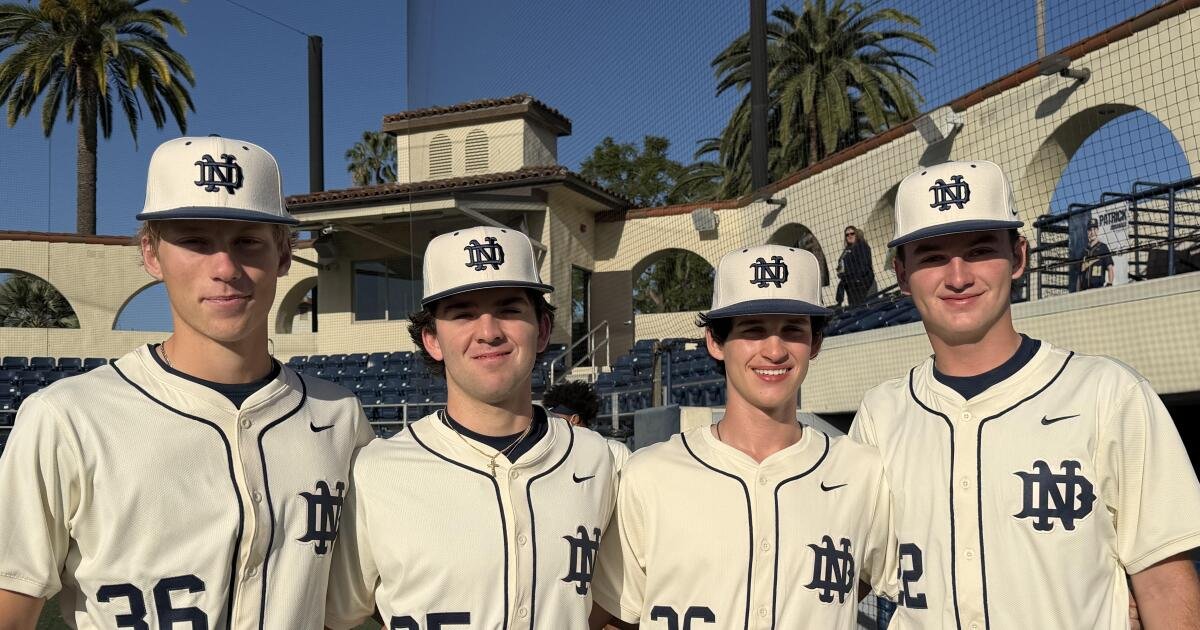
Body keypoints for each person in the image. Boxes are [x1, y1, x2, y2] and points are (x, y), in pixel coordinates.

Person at [0, 136, 374, 628]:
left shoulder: (339, 415)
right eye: (195, 241)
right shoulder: (64, 417)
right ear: (151, 253)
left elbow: (349, 606)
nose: (225, 269)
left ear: (283, 255)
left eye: (248, 242)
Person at [850, 160, 1200, 629]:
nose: (958, 277)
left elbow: (1164, 583)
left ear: (1018, 257)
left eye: (979, 250)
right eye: (932, 255)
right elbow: (844, 575)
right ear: (901, 272)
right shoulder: (880, 415)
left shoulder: (1108, 393)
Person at [325, 226, 619, 629]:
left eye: (510, 309)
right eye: (463, 313)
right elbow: (341, 614)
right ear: (431, 339)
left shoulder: (601, 459)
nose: (488, 331)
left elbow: (616, 603)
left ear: (543, 330)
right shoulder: (376, 469)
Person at [590, 245, 897, 629]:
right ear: (716, 342)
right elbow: (619, 615)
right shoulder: (648, 474)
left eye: (793, 330)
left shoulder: (861, 470)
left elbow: (866, 580)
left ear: (815, 343)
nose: (774, 350)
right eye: (753, 330)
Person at [543, 380, 632, 471]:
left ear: (574, 419)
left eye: (556, 418)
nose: (552, 423)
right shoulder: (551, 456)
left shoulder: (615, 451)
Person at [836, 225, 876, 307]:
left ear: (856, 234)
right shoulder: (846, 250)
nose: (849, 236)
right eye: (847, 235)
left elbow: (862, 268)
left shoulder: (862, 246)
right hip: (851, 286)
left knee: (866, 310)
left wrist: (847, 275)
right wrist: (841, 272)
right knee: (855, 310)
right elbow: (842, 265)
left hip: (863, 284)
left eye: (852, 233)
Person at [1078, 218, 1115, 290]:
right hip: (1084, 289)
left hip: (1098, 288)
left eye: (1094, 229)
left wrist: (1110, 283)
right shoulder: (1084, 250)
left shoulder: (1103, 247)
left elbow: (1110, 268)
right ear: (1087, 232)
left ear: (1097, 230)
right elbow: (1080, 275)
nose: (1092, 232)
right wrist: (1078, 291)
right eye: (1090, 230)